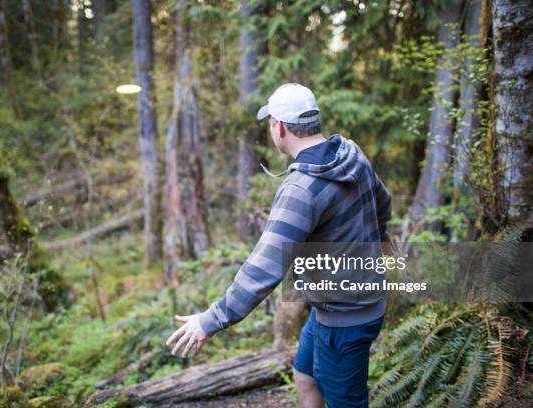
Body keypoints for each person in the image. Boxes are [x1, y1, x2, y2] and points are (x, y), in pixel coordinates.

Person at [166, 83, 392, 407]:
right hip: (339, 304)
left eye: (271, 123)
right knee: (305, 375)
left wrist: (210, 320)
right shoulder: (350, 153)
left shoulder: (301, 189)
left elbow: (264, 268)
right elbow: (382, 204)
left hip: (345, 315)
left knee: (347, 402)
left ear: (280, 127)